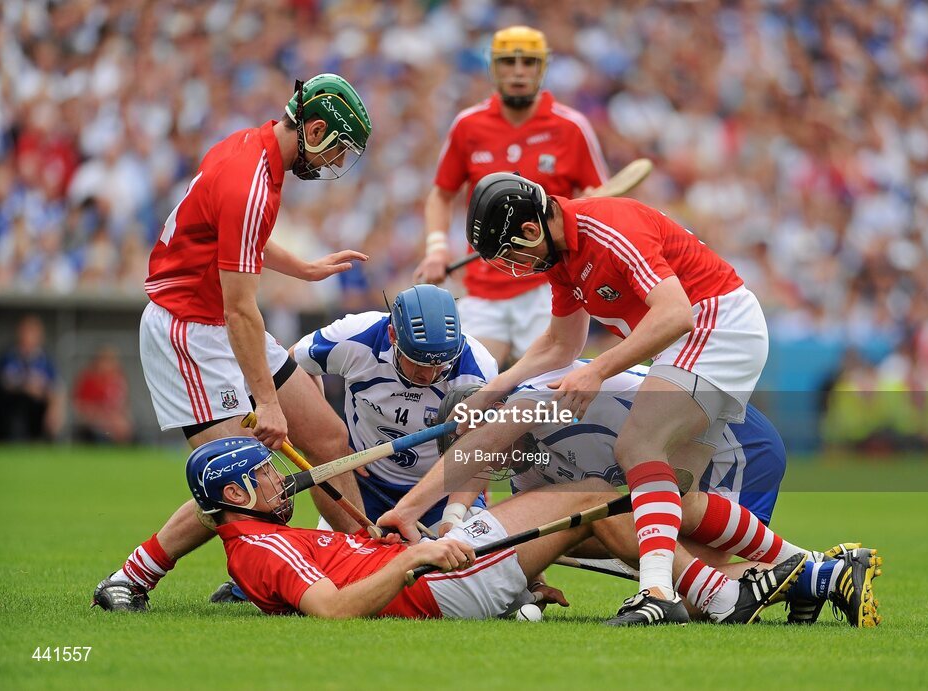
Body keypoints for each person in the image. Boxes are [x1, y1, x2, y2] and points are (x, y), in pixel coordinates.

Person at [446, 172, 782, 625]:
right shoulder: (562, 260)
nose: (515, 266)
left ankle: (658, 593)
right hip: (707, 333)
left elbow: (676, 313)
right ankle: (814, 569)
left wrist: (597, 370)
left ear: (531, 230)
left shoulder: (608, 229)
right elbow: (558, 345)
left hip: (716, 322)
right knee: (680, 501)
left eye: (512, 254)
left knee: (636, 447)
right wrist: (490, 393)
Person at [93, 74, 374, 612]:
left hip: (222, 323)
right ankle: (129, 578)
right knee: (237, 483)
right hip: (191, 332)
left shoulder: (255, 146)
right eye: (336, 148)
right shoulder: (252, 178)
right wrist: (267, 403)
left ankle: (362, 561)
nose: (334, 162)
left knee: (329, 439)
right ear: (314, 129)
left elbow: (243, 237)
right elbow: (240, 307)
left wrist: (304, 268)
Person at [380, 366, 881, 627]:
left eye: (485, 453)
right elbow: (572, 524)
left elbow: (605, 511)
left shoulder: (547, 401)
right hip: (686, 451)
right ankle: (817, 578)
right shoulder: (527, 465)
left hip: (733, 440)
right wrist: (528, 581)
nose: (491, 467)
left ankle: (819, 572)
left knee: (694, 575)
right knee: (683, 571)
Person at [186, 436, 807, 623]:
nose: (278, 484)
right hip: (433, 585)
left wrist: (395, 549)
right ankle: (723, 593)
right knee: (593, 497)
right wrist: (414, 559)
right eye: (263, 478)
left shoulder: (269, 539)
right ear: (236, 496)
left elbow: (351, 571)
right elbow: (331, 609)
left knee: (599, 522)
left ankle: (742, 580)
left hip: (430, 577)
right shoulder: (258, 547)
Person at [413, 26, 609, 368]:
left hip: (549, 287)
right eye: (508, 62)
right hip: (484, 286)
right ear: (493, 67)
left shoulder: (571, 126)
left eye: (529, 62)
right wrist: (436, 248)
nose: (518, 71)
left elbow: (599, 199)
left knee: (546, 394)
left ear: (542, 68)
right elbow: (441, 196)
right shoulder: (468, 125)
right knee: (463, 383)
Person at [291, 284, 498, 527]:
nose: (428, 375)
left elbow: (481, 446)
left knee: (474, 563)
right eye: (417, 362)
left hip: (438, 492)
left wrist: (453, 516)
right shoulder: (356, 335)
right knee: (345, 564)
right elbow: (292, 368)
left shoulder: (478, 368)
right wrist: (328, 438)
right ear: (392, 335)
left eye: (441, 365)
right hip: (362, 485)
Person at [0, 315, 64, 441]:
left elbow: (56, 386)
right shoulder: (9, 356)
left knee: (53, 405)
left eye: (33, 332)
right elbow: (4, 383)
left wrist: (55, 408)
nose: (29, 336)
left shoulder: (45, 359)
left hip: (38, 405)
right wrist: (26, 387)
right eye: (27, 331)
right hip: (13, 405)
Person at [72, 346, 133, 444]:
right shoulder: (89, 379)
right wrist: (105, 420)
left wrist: (123, 420)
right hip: (96, 423)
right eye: (106, 360)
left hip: (116, 423)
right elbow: (81, 407)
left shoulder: (119, 379)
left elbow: (124, 406)